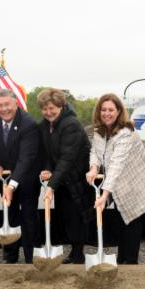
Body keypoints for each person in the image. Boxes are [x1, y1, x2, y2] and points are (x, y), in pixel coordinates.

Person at [86, 93, 145, 264]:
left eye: (111, 109)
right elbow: (95, 151)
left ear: (118, 112)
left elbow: (117, 164)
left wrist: (103, 195)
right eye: (103, 110)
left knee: (131, 218)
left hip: (136, 180)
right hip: (118, 182)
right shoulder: (99, 131)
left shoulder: (126, 133)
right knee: (120, 217)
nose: (106, 113)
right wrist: (94, 167)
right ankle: (122, 258)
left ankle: (130, 262)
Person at [0, 88, 40, 264]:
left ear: (16, 103)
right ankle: (10, 255)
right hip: (5, 176)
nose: (4, 109)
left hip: (27, 176)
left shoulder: (29, 123)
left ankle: (31, 257)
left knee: (29, 216)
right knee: (10, 213)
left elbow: (26, 158)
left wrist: (12, 186)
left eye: (7, 104)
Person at [37, 88, 94, 264]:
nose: (48, 112)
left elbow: (67, 159)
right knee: (66, 218)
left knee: (76, 217)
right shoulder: (44, 126)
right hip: (62, 180)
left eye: (52, 108)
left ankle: (78, 255)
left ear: (61, 106)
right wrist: (46, 169)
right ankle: (74, 254)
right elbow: (46, 154)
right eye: (45, 109)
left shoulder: (71, 125)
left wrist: (52, 185)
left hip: (77, 179)